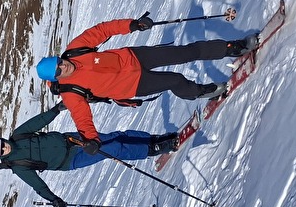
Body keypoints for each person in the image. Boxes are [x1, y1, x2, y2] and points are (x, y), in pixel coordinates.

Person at [35, 13, 259, 148]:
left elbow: (102, 30)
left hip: (133, 56)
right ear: (56, 78)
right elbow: (82, 118)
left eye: (59, 62)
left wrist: (132, 24)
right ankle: (199, 91)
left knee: (185, 52)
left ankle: (234, 47)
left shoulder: (74, 50)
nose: (63, 66)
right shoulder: (70, 92)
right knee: (174, 80)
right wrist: (91, 140)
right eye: (58, 70)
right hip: (132, 85)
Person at [0, 102, 178, 207]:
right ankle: (154, 149)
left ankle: (153, 139)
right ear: (1, 157)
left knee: (114, 137)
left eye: (2, 144)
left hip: (71, 139)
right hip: (72, 160)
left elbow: (38, 121)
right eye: (1, 152)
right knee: (113, 149)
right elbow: (38, 185)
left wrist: (55, 111)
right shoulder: (18, 165)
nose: (4, 148)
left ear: (3, 139)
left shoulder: (19, 135)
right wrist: (53, 199)